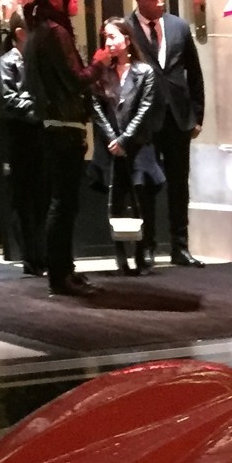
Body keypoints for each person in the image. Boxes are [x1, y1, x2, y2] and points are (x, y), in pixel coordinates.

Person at [22, 0, 96, 297]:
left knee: (62, 202)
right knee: (63, 203)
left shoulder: (37, 32)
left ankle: (64, 269)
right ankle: (60, 273)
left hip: (51, 125)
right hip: (64, 126)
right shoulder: (56, 32)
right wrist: (100, 62)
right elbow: (75, 77)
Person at [126, 0, 206, 266]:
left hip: (177, 117)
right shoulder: (127, 29)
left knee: (178, 183)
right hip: (144, 120)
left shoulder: (178, 27)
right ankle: (147, 245)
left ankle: (180, 246)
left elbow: (194, 73)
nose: (160, 2)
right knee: (145, 185)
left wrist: (197, 115)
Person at [88, 19, 164, 275]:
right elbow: (96, 107)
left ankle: (143, 252)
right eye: (105, 38)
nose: (108, 42)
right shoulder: (101, 72)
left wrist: (125, 140)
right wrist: (112, 138)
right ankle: (120, 255)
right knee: (116, 201)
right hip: (111, 147)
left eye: (113, 37)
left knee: (141, 199)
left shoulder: (145, 72)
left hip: (138, 146)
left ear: (127, 40)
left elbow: (145, 108)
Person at [0, 10, 46, 277]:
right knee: (24, 198)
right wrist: (39, 109)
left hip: (39, 137)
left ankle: (43, 254)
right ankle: (31, 256)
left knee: (41, 197)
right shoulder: (6, 63)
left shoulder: (36, 62)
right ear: (20, 34)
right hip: (19, 137)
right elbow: (9, 99)